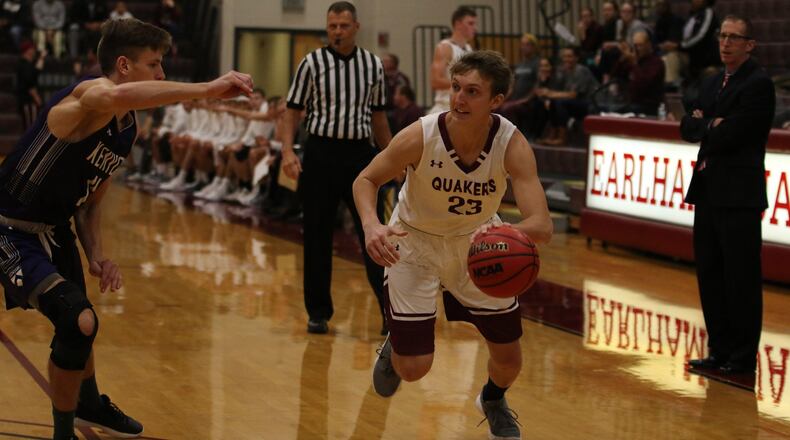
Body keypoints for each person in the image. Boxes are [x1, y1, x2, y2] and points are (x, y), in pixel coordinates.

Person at [0, 18, 252, 440]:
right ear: (123, 65)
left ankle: (89, 405)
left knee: (82, 323)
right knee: (77, 320)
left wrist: (97, 255)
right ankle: (66, 431)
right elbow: (118, 94)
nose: (162, 75)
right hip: (9, 227)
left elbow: (91, 202)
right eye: (154, 65)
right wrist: (207, 89)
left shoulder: (127, 128)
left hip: (55, 227)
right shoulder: (88, 97)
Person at [353, 50, 552, 439]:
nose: (459, 98)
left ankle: (493, 399)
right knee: (414, 369)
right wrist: (371, 225)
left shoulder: (510, 143)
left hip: (478, 245)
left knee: (509, 359)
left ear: (496, 101)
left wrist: (505, 235)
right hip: (413, 242)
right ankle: (397, 341)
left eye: (473, 92)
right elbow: (366, 179)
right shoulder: (420, 135)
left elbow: (541, 225)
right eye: (456, 88)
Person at [280, 1, 392, 335]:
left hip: (360, 157)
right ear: (327, 28)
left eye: (343, 26)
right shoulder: (311, 63)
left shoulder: (373, 65)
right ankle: (318, 312)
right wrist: (287, 151)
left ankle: (391, 311)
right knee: (316, 235)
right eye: (332, 26)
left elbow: (379, 119)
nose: (338, 32)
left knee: (373, 234)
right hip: (320, 153)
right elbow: (292, 112)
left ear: (356, 27)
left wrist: (394, 156)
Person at [681, 15, 774, 375]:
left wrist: (709, 124)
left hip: (739, 195)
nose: (725, 43)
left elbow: (737, 134)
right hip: (707, 191)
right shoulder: (710, 81)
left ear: (750, 44)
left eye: (734, 38)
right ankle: (718, 350)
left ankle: (741, 357)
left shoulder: (758, 84)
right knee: (711, 274)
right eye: (722, 36)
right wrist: (710, 124)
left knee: (741, 278)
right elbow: (687, 127)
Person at [427, 6, 477, 114]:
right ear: (458, 24)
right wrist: (465, 85)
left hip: (462, 108)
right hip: (444, 108)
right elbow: (435, 81)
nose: (475, 28)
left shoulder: (469, 49)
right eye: (470, 23)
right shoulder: (445, 47)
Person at [611, 30, 665, 116]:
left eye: (640, 45)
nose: (637, 49)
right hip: (630, 103)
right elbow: (615, 74)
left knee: (608, 109)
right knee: (596, 106)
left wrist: (634, 63)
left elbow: (643, 83)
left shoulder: (656, 63)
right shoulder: (635, 60)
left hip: (647, 106)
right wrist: (623, 58)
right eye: (635, 46)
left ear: (648, 44)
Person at [15, 40, 46, 131]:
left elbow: (36, 72)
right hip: (28, 101)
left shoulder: (27, 64)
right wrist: (37, 98)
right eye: (32, 49)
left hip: (28, 101)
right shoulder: (24, 64)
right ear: (28, 51)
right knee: (31, 128)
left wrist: (41, 58)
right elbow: (29, 83)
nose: (34, 51)